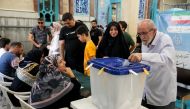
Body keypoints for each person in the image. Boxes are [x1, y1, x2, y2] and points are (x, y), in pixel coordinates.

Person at [128, 19, 177, 109]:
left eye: (144, 33)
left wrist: (142, 56)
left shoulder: (165, 39)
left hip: (162, 91)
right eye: (139, 34)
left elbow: (166, 59)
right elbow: (146, 61)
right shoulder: (145, 41)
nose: (142, 37)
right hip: (146, 89)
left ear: (154, 30)